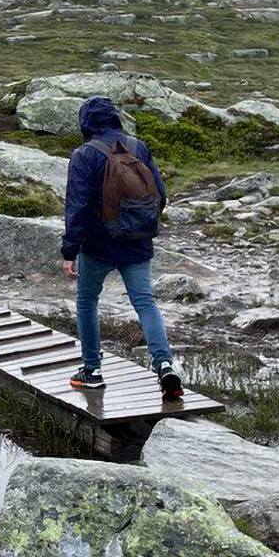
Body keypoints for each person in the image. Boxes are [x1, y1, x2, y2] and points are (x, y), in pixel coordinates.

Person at [59, 95, 183, 399]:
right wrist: (138, 226)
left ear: (85, 122)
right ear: (115, 117)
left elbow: (77, 208)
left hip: (98, 246)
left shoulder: (84, 154)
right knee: (145, 302)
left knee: (87, 301)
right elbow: (160, 197)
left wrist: (69, 250)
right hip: (137, 243)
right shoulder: (138, 147)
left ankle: (92, 371)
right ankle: (164, 364)